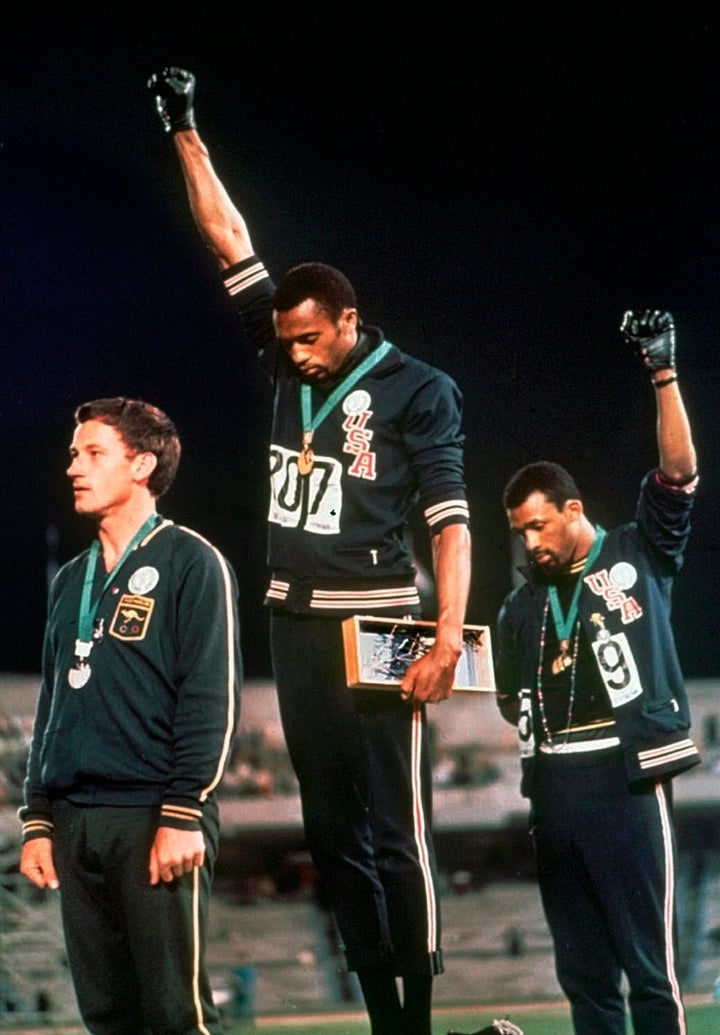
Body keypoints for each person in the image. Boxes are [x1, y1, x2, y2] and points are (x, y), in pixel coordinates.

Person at [147, 67, 472, 1035]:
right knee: (334, 838)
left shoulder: (421, 390)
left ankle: (417, 1015)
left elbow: (451, 522)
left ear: (348, 321)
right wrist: (185, 130)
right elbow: (230, 242)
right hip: (294, 623)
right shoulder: (287, 352)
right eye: (282, 342)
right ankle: (382, 1017)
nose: (291, 355)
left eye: (307, 340)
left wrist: (447, 634)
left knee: (397, 832)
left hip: (380, 627)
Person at [494, 310, 700, 1035]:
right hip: (551, 788)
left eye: (539, 525)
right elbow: (504, 698)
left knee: (649, 971)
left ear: (573, 510)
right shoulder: (520, 607)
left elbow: (678, 475)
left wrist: (662, 372)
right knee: (583, 978)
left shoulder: (635, 553)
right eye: (519, 529)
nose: (529, 540)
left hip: (625, 777)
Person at [19, 397, 242, 1035]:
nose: (73, 468)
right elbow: (52, 705)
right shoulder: (70, 581)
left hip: (153, 818)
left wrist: (183, 811)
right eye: (72, 454)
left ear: (142, 465)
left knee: (177, 1017)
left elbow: (209, 698)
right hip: (73, 822)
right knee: (108, 1017)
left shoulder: (191, 562)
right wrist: (38, 820)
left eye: (93, 454)